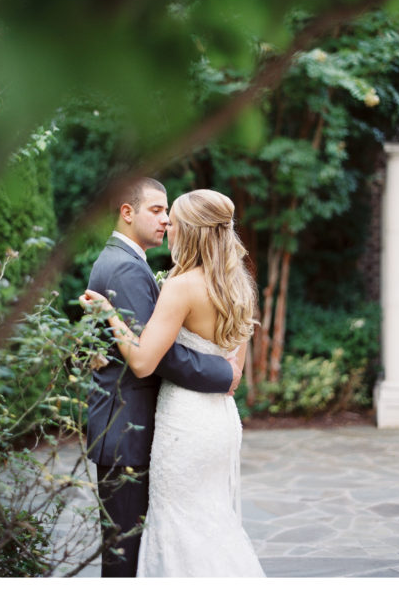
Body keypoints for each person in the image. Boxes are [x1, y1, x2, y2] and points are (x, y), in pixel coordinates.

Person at [82, 187, 264, 577]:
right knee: (212, 520)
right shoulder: (240, 286)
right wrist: (226, 377)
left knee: (179, 525)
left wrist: (108, 314)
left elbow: (146, 360)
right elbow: (234, 369)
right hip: (220, 420)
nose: (168, 225)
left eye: (174, 221)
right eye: (161, 213)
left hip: (184, 421)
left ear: (192, 232)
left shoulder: (181, 286)